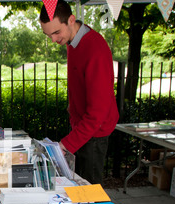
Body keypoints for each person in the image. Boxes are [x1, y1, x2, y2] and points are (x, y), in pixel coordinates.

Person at [39, 0, 119, 184]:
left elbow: (97, 113)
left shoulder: (94, 48)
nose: (53, 40)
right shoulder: (73, 42)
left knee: (88, 192)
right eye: (48, 34)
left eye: (56, 32)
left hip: (94, 133)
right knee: (75, 185)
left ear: (71, 20)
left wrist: (65, 145)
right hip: (82, 129)